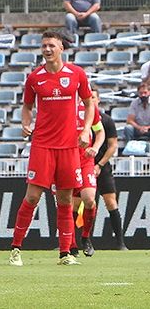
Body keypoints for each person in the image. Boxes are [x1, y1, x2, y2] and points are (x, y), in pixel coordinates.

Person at [9, 30, 94, 267]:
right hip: (43, 145)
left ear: (61, 49)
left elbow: (89, 104)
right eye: (44, 45)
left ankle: (65, 253)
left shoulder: (77, 74)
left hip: (69, 147)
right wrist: (25, 122)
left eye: (51, 46)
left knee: (65, 200)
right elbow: (26, 106)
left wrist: (86, 129)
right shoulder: (35, 78)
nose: (47, 49)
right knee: (32, 196)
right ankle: (16, 248)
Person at [70, 94, 105, 258]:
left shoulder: (89, 110)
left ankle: (85, 236)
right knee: (69, 205)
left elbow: (100, 132)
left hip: (85, 161)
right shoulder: (60, 109)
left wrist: (96, 148)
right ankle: (71, 244)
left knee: (89, 199)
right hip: (66, 160)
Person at [92, 88, 128, 250]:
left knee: (111, 202)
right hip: (83, 167)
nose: (90, 100)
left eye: (93, 97)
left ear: (98, 100)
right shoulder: (78, 120)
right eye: (88, 97)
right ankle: (73, 243)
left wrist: (99, 165)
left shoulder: (106, 121)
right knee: (76, 204)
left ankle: (120, 243)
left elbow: (113, 146)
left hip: (102, 167)